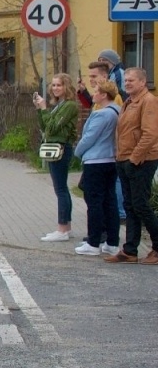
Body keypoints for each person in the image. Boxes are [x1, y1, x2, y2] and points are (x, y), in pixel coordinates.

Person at [106, 64, 158, 264]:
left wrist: (134, 159)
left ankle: (157, 247)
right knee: (130, 206)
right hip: (124, 158)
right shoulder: (129, 102)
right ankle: (130, 250)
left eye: (131, 80)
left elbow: (151, 134)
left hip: (141, 160)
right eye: (125, 80)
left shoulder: (148, 101)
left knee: (141, 205)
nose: (127, 83)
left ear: (143, 82)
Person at [74, 82, 122, 256]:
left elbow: (89, 138)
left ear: (103, 95)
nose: (93, 94)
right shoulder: (117, 111)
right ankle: (112, 242)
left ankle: (93, 243)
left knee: (94, 202)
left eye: (96, 91)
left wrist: (77, 152)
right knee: (110, 202)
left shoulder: (101, 114)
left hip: (96, 161)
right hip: (110, 159)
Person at [34, 72, 79, 242]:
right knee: (60, 188)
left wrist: (44, 109)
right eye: (53, 85)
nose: (55, 88)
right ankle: (66, 227)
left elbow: (52, 129)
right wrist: (41, 110)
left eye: (59, 85)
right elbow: (45, 126)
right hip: (54, 146)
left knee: (61, 189)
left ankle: (62, 229)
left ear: (66, 86)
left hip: (61, 148)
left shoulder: (69, 106)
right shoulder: (59, 105)